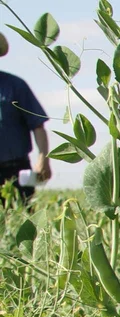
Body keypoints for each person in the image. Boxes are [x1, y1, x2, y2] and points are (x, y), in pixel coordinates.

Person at [0, 33, 51, 204]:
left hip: (16, 170)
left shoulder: (15, 86)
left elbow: (38, 126)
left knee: (22, 222)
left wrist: (43, 159)